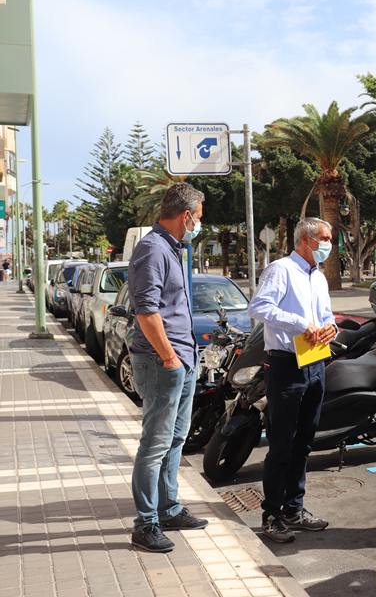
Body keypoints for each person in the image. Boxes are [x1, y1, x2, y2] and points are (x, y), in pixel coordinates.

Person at [128, 183, 208, 553]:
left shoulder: (176, 249)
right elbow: (146, 310)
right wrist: (170, 357)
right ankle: (145, 524)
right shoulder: (152, 248)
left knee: (176, 439)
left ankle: (168, 508)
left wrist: (186, 356)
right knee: (155, 444)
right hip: (164, 363)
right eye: (199, 218)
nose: (199, 225)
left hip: (182, 359)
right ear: (186, 215)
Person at [248, 217, 338, 543]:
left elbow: (326, 317)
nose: (330, 244)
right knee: (281, 445)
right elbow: (258, 307)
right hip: (286, 366)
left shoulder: (319, 277)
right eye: (326, 238)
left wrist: (332, 328)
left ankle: (294, 509)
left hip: (315, 363)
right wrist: (300, 324)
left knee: (304, 443)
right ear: (306, 239)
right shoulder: (281, 270)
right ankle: (271, 515)